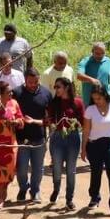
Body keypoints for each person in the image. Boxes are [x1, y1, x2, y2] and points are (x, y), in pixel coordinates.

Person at [81, 86, 110, 214]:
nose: (97, 101)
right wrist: (83, 149)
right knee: (96, 171)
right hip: (94, 144)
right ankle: (94, 198)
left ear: (105, 95)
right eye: (94, 99)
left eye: (99, 98)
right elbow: (86, 130)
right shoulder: (90, 110)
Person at [13, 68, 52, 202]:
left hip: (39, 137)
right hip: (21, 138)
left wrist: (41, 124)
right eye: (30, 82)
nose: (33, 84)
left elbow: (49, 118)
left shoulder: (46, 94)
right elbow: (10, 111)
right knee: (22, 169)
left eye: (35, 81)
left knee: (38, 168)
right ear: (25, 80)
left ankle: (35, 191)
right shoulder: (16, 93)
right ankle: (23, 188)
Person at [45, 77, 85, 209]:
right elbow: (49, 119)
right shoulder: (53, 103)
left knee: (71, 170)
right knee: (56, 168)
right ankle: (56, 190)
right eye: (55, 87)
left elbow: (83, 123)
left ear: (67, 87)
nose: (56, 89)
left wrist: (76, 123)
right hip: (57, 137)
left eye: (58, 87)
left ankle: (69, 199)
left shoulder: (78, 102)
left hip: (73, 137)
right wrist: (51, 124)